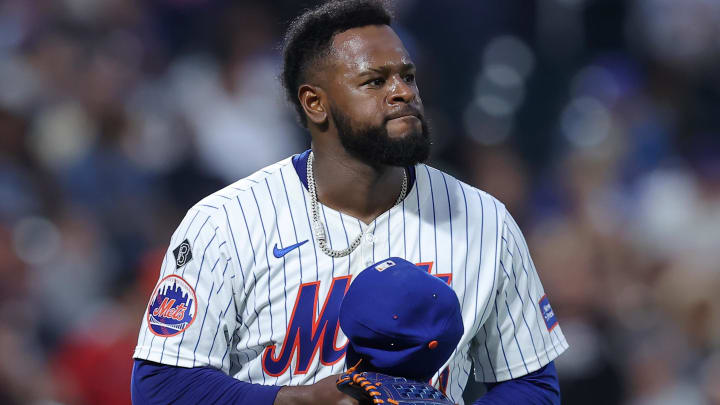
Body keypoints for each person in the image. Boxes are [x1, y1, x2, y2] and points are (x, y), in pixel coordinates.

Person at [131, 1, 568, 404]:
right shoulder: (225, 222)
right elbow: (160, 385)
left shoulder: (485, 219)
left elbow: (531, 383)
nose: (402, 93)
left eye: (407, 76)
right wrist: (296, 400)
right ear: (315, 103)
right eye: (375, 81)